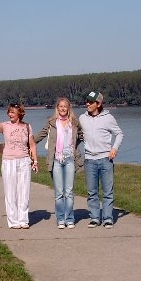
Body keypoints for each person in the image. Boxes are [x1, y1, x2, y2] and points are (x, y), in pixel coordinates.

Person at [34, 97, 83, 229]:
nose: (62, 109)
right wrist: (29, 142)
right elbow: (40, 135)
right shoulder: (51, 123)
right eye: (60, 106)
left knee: (69, 191)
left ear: (68, 109)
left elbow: (82, 136)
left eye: (65, 107)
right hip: (56, 160)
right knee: (59, 192)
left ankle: (70, 218)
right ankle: (61, 219)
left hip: (70, 159)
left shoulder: (74, 123)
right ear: (57, 108)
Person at [78, 91, 124, 228]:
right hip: (89, 160)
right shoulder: (82, 118)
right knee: (92, 191)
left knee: (107, 191)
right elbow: (77, 135)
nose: (87, 104)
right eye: (87, 101)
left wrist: (114, 149)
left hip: (105, 159)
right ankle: (95, 218)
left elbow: (119, 134)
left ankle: (108, 218)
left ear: (98, 104)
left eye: (91, 102)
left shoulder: (108, 118)